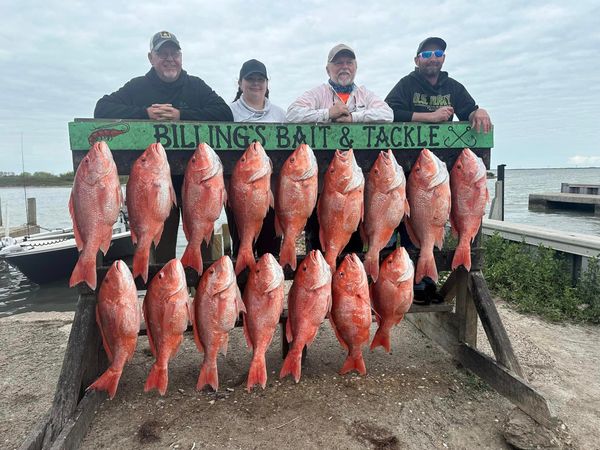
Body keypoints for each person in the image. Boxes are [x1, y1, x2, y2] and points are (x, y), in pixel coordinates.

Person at [94, 31, 233, 263]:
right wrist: (143, 113)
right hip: (154, 184)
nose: (169, 58)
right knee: (161, 247)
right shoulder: (138, 87)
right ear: (151, 58)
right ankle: (161, 291)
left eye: (174, 53)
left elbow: (224, 114)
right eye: (162, 53)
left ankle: (205, 291)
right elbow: (102, 109)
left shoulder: (195, 86)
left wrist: (182, 115)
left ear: (181, 56)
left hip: (197, 181)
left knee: (204, 244)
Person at [228, 59, 285, 258]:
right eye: (250, 79)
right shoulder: (229, 113)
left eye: (260, 79)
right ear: (240, 83)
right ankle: (243, 285)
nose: (255, 83)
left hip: (271, 191)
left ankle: (268, 286)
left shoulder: (279, 114)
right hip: (240, 191)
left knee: (270, 251)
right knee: (242, 244)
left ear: (267, 83)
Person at [385, 37, 492, 133]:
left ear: (443, 58)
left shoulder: (454, 87)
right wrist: (431, 117)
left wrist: (479, 112)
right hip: (409, 153)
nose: (433, 59)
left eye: (438, 54)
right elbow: (388, 112)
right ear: (417, 61)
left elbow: (469, 112)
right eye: (426, 55)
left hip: (445, 152)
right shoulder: (406, 84)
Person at [286, 44, 393, 123]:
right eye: (339, 63)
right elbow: (292, 114)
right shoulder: (318, 93)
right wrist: (328, 113)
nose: (345, 67)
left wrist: (353, 117)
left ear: (356, 67)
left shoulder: (364, 94)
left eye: (349, 63)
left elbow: (387, 114)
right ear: (328, 70)